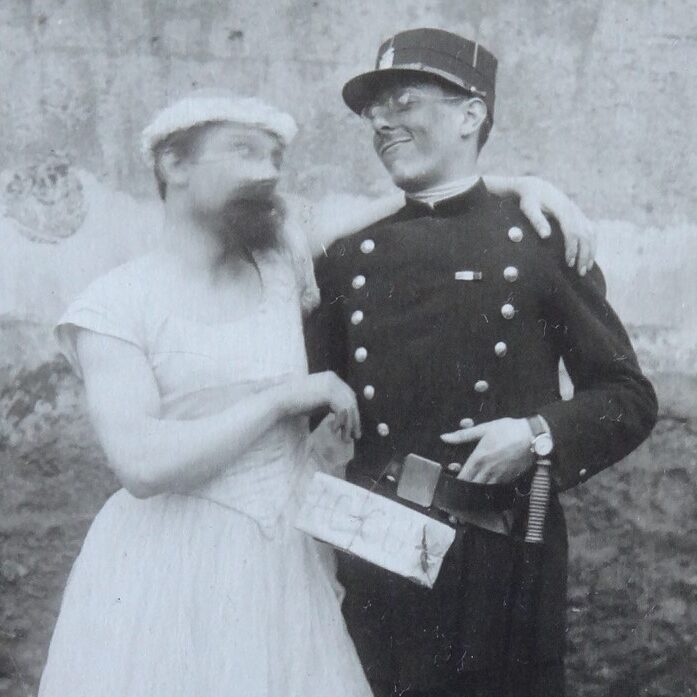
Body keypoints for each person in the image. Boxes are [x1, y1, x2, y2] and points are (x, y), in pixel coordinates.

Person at [38, 90, 596, 696]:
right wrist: (283, 398)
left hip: (287, 567)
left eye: (276, 156)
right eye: (245, 152)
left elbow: (429, 194)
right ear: (174, 166)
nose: (268, 173)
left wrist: (525, 187)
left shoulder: (283, 267)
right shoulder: (114, 306)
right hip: (170, 569)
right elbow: (142, 466)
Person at [308, 28, 658, 697]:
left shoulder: (536, 235)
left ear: (470, 113)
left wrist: (532, 435)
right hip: (376, 554)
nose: (382, 122)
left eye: (403, 101)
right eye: (373, 112)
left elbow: (626, 396)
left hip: (498, 567)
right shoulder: (348, 253)